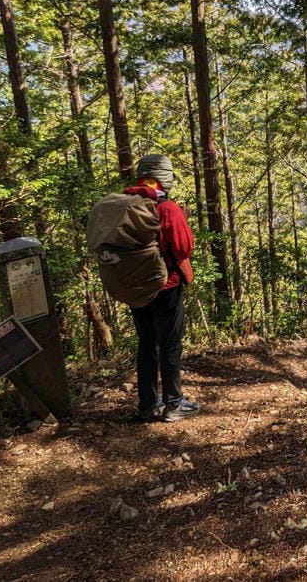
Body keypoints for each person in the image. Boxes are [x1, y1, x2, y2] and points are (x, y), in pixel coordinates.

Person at [125, 154, 200, 423]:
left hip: (135, 287)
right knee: (170, 345)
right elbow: (184, 247)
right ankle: (174, 404)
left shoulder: (126, 205)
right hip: (166, 286)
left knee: (147, 344)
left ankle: (147, 404)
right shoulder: (167, 208)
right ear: (165, 177)